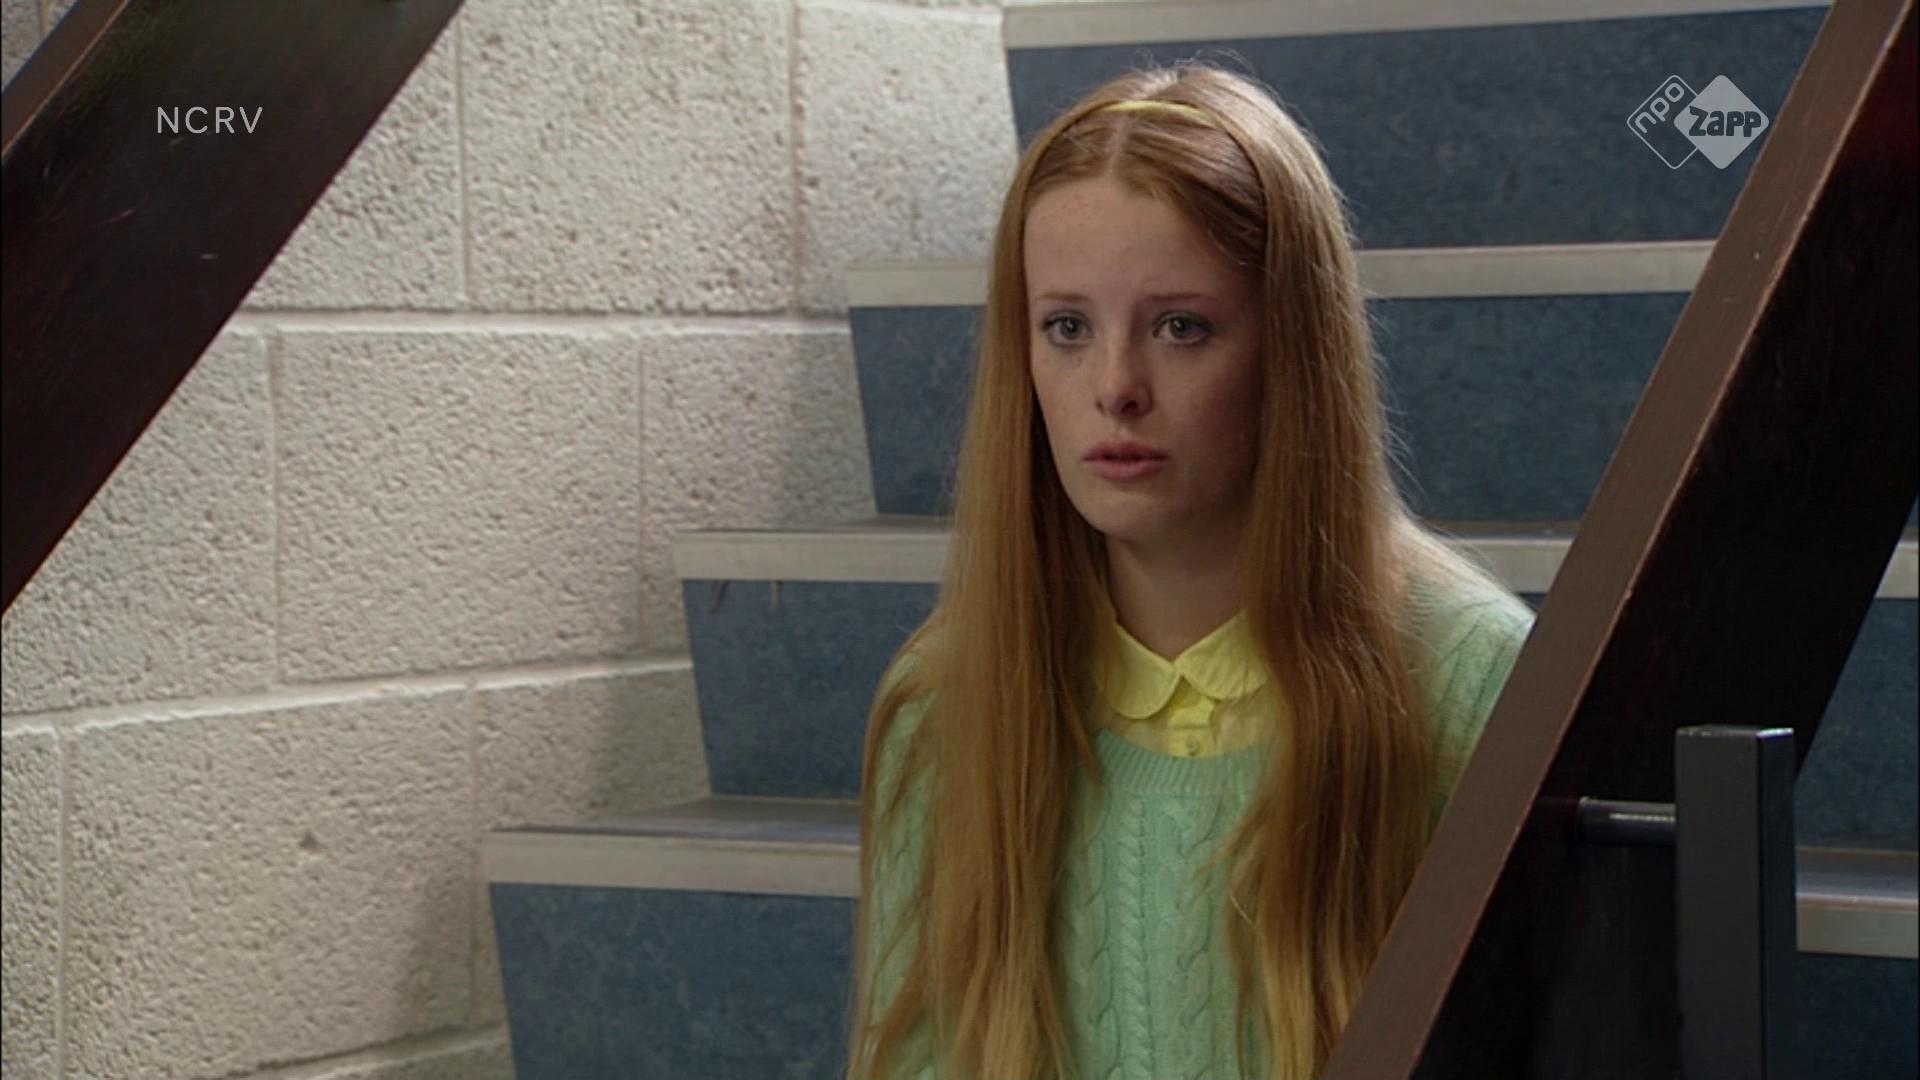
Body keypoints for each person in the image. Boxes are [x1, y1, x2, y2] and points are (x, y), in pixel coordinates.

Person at [844, 62, 1536, 1080]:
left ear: (1292, 349)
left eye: (1181, 327)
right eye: (1067, 328)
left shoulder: (1474, 686)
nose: (1115, 387)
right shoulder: (945, 701)